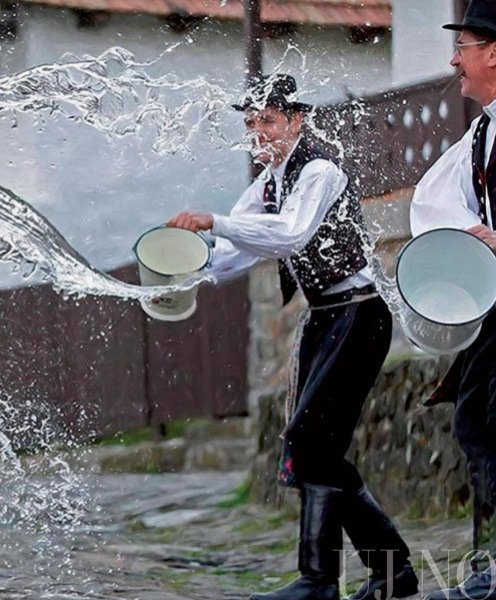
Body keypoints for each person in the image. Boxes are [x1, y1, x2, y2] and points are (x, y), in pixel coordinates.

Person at [167, 73, 416, 600]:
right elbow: (241, 251)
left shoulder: (318, 169)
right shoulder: (268, 181)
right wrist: (186, 270)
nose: (260, 133)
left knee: (309, 444)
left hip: (359, 315)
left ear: (296, 119)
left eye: (270, 121)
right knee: (311, 451)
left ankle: (322, 581)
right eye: (252, 123)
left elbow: (291, 234)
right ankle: (390, 575)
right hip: (326, 318)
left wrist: (215, 219)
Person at [410, 3, 496, 598]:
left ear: (493, 50)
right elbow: (433, 200)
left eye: (462, 44)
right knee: (476, 419)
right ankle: (489, 568)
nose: (453, 58)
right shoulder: (482, 131)